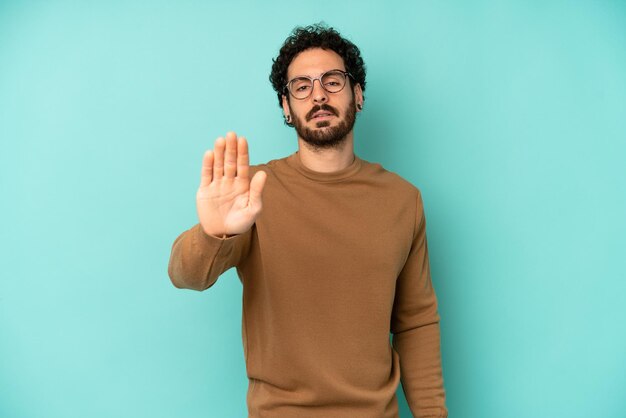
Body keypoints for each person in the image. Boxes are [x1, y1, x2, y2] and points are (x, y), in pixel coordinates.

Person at [168, 23, 448, 418]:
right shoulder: (251, 193)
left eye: (332, 81)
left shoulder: (403, 200)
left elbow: (415, 322)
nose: (318, 94)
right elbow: (186, 274)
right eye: (301, 86)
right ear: (286, 106)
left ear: (358, 94)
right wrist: (215, 232)